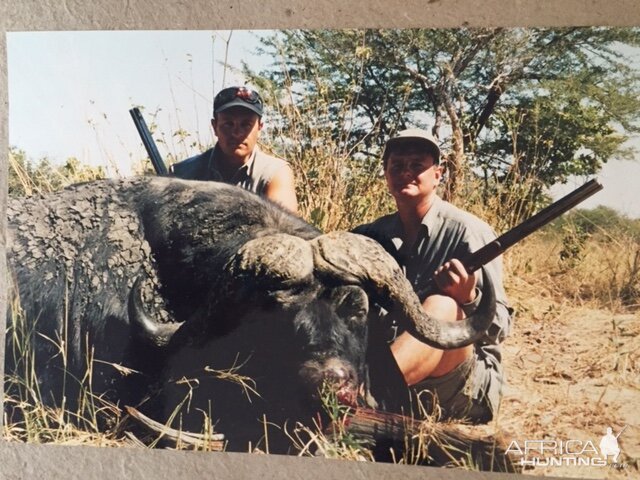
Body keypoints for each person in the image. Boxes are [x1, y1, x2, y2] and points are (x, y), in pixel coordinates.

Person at [354, 128, 512, 423]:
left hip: (459, 386)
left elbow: (500, 326)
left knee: (443, 306)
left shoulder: (468, 231)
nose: (406, 173)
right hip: (400, 378)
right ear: (386, 174)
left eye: (417, 166)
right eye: (397, 166)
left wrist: (469, 297)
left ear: (437, 175)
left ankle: (359, 404)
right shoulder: (367, 235)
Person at [171, 86, 298, 213]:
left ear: (259, 128)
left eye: (246, 125)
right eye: (228, 124)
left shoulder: (275, 173)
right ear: (215, 127)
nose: (237, 133)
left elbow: (285, 229)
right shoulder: (182, 174)